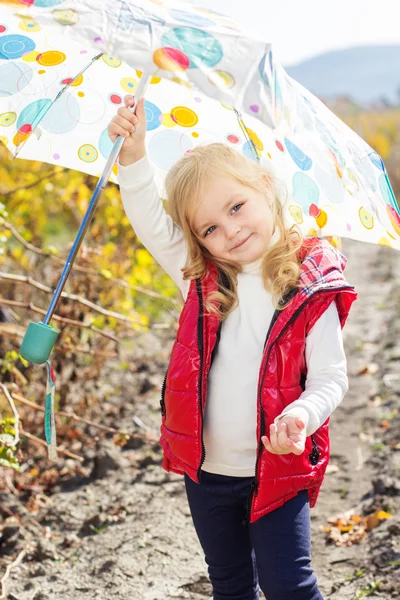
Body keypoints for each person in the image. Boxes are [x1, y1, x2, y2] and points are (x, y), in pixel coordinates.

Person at [108, 95, 357, 600]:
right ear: (198, 239)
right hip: (208, 472)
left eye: (236, 207)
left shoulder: (310, 285)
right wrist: (133, 156)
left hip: (277, 466)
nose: (231, 230)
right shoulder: (203, 281)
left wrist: (303, 414)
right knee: (229, 583)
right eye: (210, 229)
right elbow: (151, 223)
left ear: (264, 186)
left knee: (290, 584)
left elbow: (332, 376)